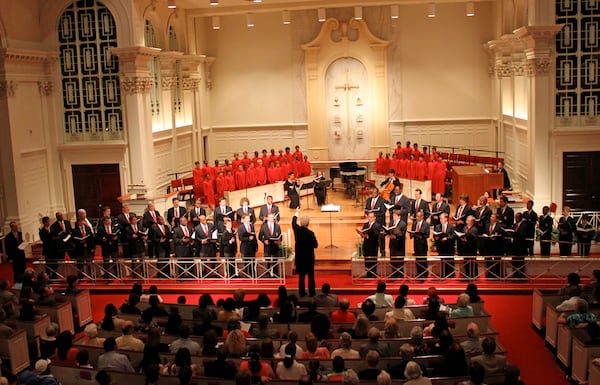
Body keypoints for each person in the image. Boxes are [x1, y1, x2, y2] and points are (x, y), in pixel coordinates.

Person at [292, 208, 319, 297]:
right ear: (308, 223)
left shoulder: (297, 230)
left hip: (300, 258)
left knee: (301, 277)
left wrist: (297, 212)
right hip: (309, 259)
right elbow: (315, 245)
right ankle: (312, 292)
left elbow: (293, 222)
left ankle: (302, 292)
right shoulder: (310, 233)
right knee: (311, 277)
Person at [358, 212, 383, 277]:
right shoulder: (366, 224)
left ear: (374, 218)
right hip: (366, 245)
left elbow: (376, 235)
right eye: (369, 217)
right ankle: (368, 273)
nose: (370, 218)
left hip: (373, 245)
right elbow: (363, 232)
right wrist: (362, 234)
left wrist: (369, 236)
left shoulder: (377, 225)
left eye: (371, 217)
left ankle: (373, 274)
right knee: (366, 260)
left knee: (373, 260)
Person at [365, 186, 387, 256]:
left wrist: (373, 215)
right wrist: (368, 213)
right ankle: (372, 250)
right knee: (372, 237)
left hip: (379, 222)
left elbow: (383, 211)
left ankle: (382, 251)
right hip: (371, 223)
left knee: (381, 237)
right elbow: (366, 209)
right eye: (372, 193)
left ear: (378, 193)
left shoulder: (382, 200)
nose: (373, 194)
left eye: (375, 193)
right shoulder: (368, 200)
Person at [434, 213, 455, 279]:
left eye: (442, 218)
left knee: (449, 261)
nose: (441, 220)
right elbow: (435, 235)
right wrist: (436, 237)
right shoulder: (437, 226)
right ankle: (443, 274)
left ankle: (450, 274)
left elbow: (453, 235)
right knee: (442, 261)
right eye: (440, 218)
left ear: (446, 219)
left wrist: (447, 238)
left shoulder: (451, 226)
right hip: (441, 246)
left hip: (449, 247)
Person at [386, 209, 407, 278]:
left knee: (400, 260)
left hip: (399, 245)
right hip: (392, 244)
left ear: (399, 216)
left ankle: (400, 274)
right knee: (393, 260)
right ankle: (394, 273)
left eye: (395, 215)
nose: (393, 217)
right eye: (393, 215)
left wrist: (396, 236)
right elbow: (389, 230)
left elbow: (402, 234)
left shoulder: (403, 224)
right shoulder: (392, 222)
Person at [410, 211, 430, 279]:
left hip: (423, 244)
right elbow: (412, 232)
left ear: (422, 216)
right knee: (417, 259)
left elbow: (427, 235)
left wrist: (421, 236)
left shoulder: (426, 224)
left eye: (418, 216)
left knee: (423, 260)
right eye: (417, 216)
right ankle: (419, 273)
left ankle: (424, 274)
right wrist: (412, 234)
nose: (417, 218)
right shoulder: (414, 223)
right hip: (416, 244)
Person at [238, 214, 258, 278]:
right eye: (247, 218)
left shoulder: (251, 226)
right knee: (246, 262)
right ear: (243, 219)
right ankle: (246, 274)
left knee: (252, 261)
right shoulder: (241, 227)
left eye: (249, 218)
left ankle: (252, 274)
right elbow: (240, 237)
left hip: (252, 246)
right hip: (245, 247)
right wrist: (248, 238)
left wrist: (256, 245)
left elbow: (254, 236)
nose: (248, 220)